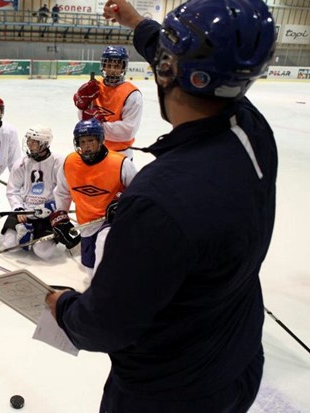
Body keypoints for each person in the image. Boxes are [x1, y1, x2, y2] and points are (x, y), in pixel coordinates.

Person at [46, 0, 277, 412]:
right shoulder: (254, 132)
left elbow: (104, 327)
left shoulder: (158, 200)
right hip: (237, 359)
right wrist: (136, 23)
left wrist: (62, 307)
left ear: (168, 70)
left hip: (168, 394)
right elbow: (182, 60)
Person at [52, 118, 136, 274]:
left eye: (90, 140)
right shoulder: (70, 162)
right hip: (87, 225)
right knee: (89, 269)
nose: (86, 146)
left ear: (100, 140)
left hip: (112, 224)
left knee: (104, 269)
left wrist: (123, 204)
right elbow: (62, 192)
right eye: (82, 142)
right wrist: (61, 215)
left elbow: (138, 192)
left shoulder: (121, 163)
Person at [1, 125, 63, 259]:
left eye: (34, 141)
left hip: (47, 214)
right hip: (24, 211)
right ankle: (26, 230)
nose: (29, 144)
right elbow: (13, 190)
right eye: (29, 140)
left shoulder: (58, 162)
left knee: (44, 253)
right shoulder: (22, 163)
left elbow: (65, 190)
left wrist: (52, 206)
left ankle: (33, 233)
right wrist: (18, 208)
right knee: (9, 245)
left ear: (44, 143)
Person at [73, 45, 143, 160]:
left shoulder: (132, 94)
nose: (112, 70)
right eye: (108, 65)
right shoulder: (94, 85)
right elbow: (83, 119)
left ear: (123, 68)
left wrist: (96, 125)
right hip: (94, 151)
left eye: (116, 66)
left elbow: (127, 131)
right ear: (103, 66)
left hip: (120, 154)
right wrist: (81, 106)